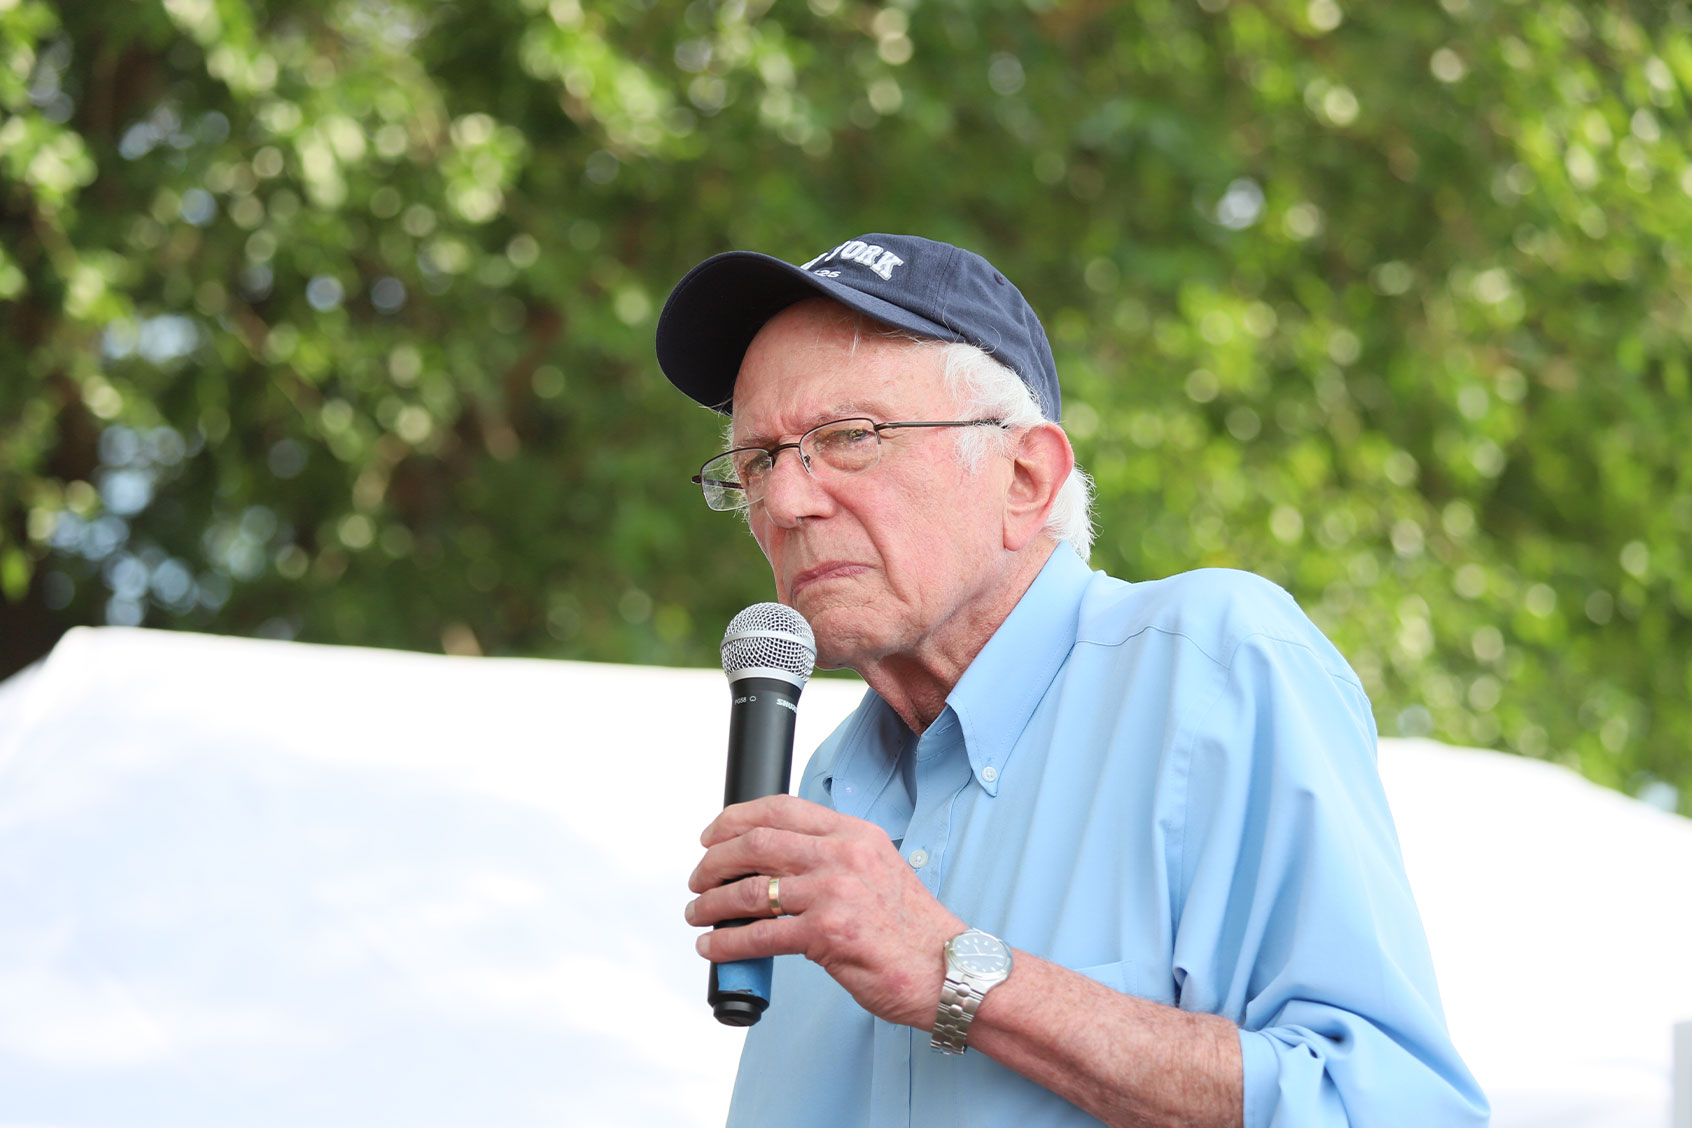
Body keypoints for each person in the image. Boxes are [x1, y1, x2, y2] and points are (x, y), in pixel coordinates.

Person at [656, 232, 1489, 1127]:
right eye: (757, 462)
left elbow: (1389, 1107)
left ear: (1024, 476)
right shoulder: (824, 785)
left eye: (848, 437)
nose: (786, 503)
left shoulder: (1211, 666)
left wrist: (951, 971)